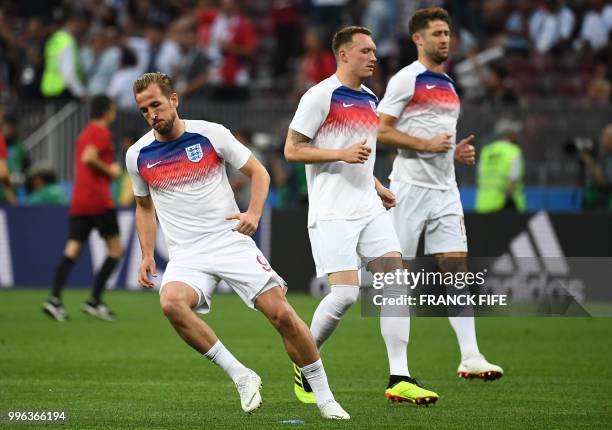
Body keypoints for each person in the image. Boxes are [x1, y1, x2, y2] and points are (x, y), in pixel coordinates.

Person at [126, 72, 349, 420]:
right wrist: (146, 254)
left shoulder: (211, 134)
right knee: (171, 302)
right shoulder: (138, 155)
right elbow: (143, 207)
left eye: (155, 104)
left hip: (228, 240)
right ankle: (242, 375)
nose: (151, 113)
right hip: (187, 254)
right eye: (143, 110)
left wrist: (254, 213)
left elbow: (260, 173)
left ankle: (324, 397)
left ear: (173, 100)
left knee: (281, 314)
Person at [284, 26, 438, 405]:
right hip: (333, 209)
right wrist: (339, 155)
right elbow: (292, 150)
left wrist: (376, 184)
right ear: (344, 55)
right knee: (346, 295)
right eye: (365, 51)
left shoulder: (370, 98)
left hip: (367, 207)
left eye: (374, 50)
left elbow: (357, 155)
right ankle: (305, 362)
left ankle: (399, 376)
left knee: (396, 283)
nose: (373, 57)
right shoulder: (320, 96)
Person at [377, 7, 503, 382]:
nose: (444, 39)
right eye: (436, 33)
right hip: (409, 189)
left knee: (455, 267)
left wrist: (454, 153)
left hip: (446, 189)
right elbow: (380, 130)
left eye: (447, 33)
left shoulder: (448, 84)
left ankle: (471, 355)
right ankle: (398, 370)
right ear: (418, 39)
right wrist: (424, 143)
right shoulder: (406, 80)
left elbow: (438, 141)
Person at [43, 95, 123, 322]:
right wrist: (110, 171)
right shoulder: (101, 132)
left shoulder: (85, 132)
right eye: (113, 109)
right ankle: (94, 301)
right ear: (107, 110)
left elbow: (84, 156)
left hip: (80, 200)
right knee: (116, 251)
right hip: (98, 200)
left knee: (72, 250)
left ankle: (54, 299)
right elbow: (89, 157)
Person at [476, 119, 526, 213]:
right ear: (510, 135)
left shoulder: (486, 151)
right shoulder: (514, 151)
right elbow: (513, 179)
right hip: (504, 207)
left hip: (483, 205)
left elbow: (479, 176)